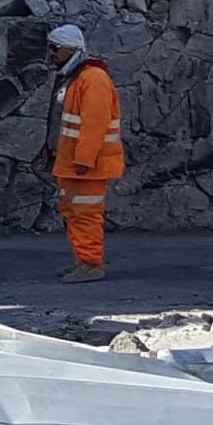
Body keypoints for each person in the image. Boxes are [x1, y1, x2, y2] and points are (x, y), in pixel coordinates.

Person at [49, 22, 122, 284]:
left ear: (71, 49)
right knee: (74, 213)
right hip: (74, 163)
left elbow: (94, 124)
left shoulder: (92, 79)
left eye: (55, 48)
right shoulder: (77, 77)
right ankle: (84, 261)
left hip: (87, 165)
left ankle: (91, 264)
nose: (52, 54)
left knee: (85, 214)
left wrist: (84, 159)